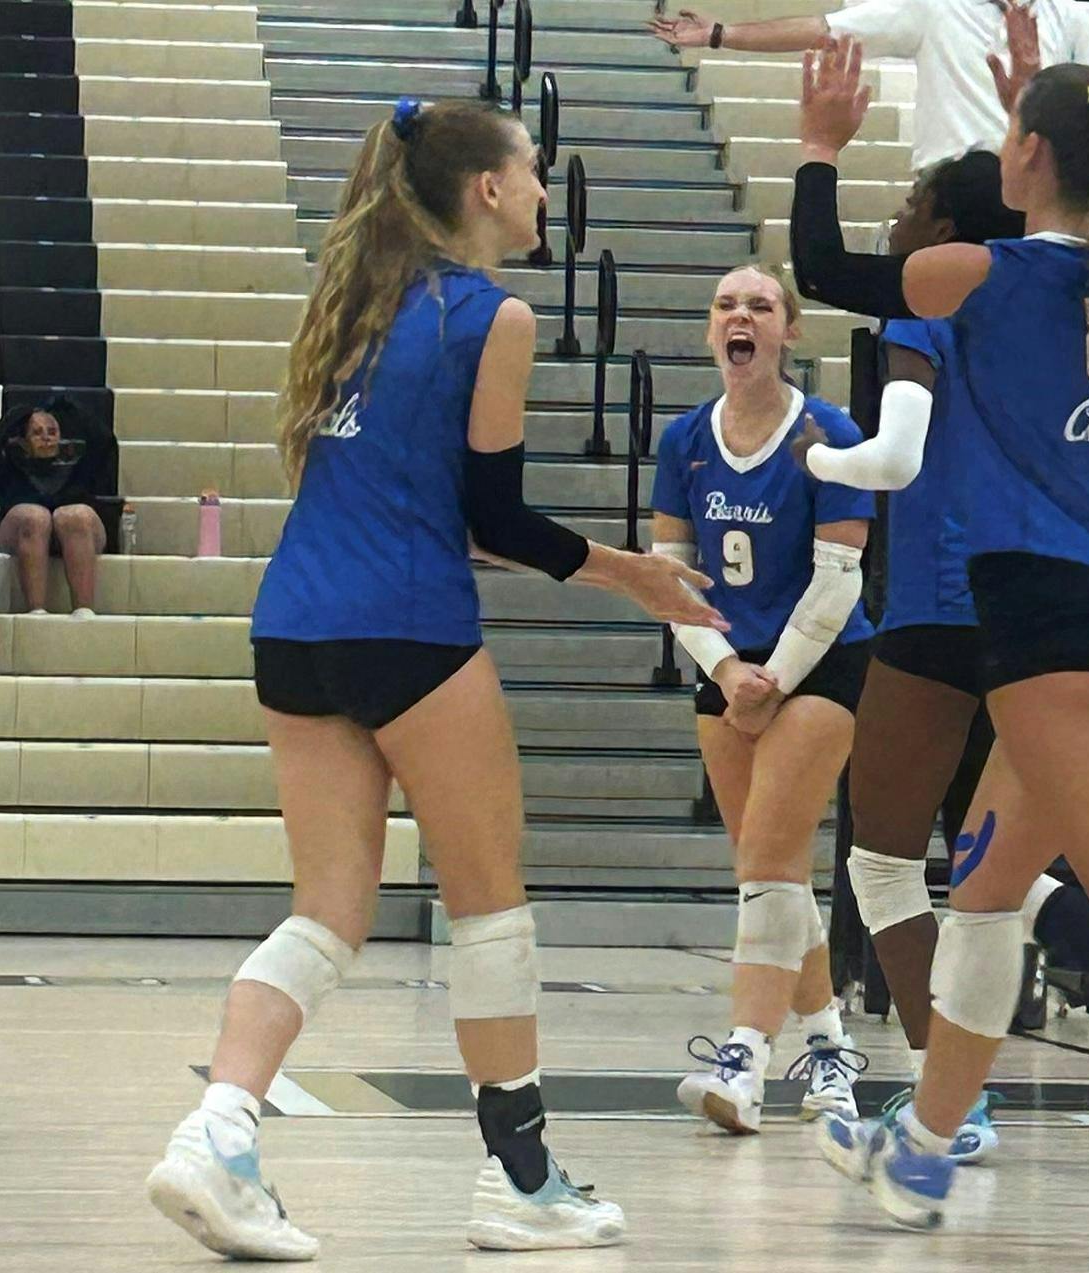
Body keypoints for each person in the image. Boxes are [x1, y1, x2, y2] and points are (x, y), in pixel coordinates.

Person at [143, 97, 722, 1260]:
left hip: (295, 624)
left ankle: (216, 1134)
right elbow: (491, 519)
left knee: (325, 911)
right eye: (533, 170)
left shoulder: (354, 300)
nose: (545, 192)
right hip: (406, 624)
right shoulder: (492, 315)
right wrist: (632, 576)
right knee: (489, 908)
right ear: (487, 190)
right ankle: (522, 1181)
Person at [792, 43, 1089, 1261]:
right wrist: (1049, 99)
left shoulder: (981, 276)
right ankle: (924, 1142)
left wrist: (820, 149)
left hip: (1047, 629)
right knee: (985, 891)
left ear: (1032, 156)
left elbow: (827, 270)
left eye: (1013, 131)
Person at [651, 264, 871, 1136]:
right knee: (770, 874)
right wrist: (723, 670)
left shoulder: (829, 433)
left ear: (789, 330)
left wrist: (771, 676)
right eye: (725, 305)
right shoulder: (683, 440)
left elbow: (840, 578)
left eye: (760, 304)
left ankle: (743, 1059)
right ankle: (830, 1055)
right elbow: (670, 576)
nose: (739, 315)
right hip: (726, 669)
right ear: (713, 330)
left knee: (770, 863)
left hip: (817, 664)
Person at [648, 0, 1089, 170]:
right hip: (948, 198)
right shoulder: (933, 8)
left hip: (1033, 189)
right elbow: (824, 29)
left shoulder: (1071, 17)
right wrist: (721, 34)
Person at [0, 404, 109, 617]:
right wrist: (19, 413)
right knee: (35, 516)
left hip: (76, 534)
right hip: (23, 533)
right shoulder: (8, 468)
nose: (46, 438)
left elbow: (104, 442)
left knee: (73, 516)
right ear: (24, 441)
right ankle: (37, 610)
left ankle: (84, 611)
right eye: (37, 433)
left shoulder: (79, 466)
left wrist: (69, 406)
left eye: (52, 432)